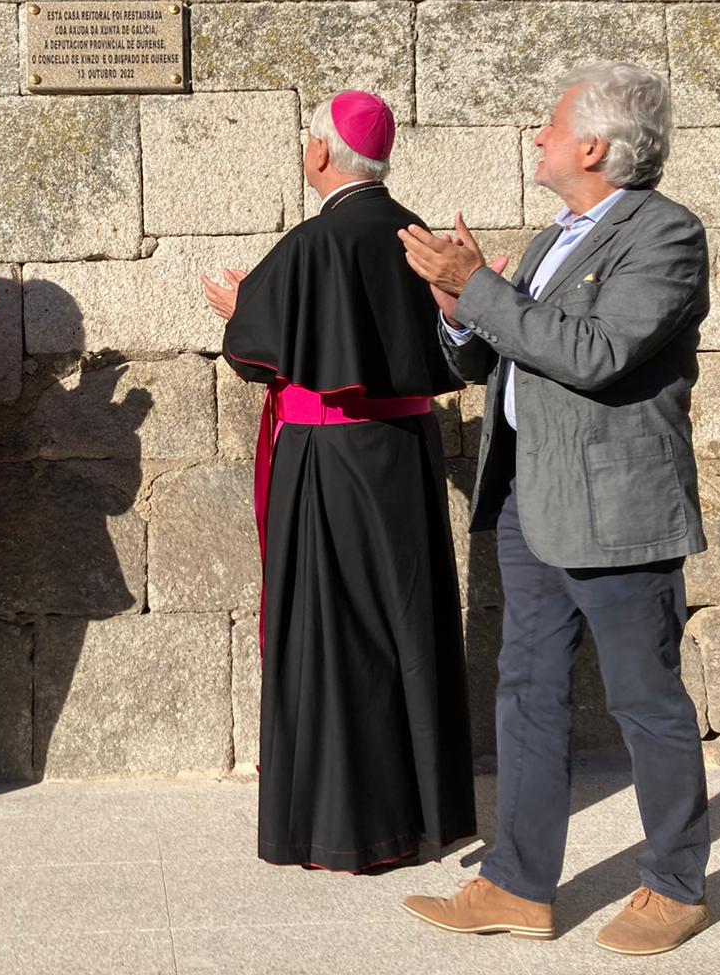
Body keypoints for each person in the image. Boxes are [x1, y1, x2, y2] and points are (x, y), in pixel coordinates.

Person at [397, 61, 712, 956]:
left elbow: (595, 354)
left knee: (644, 700)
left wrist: (483, 290)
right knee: (527, 692)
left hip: (616, 508)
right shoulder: (550, 240)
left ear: (596, 146)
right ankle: (517, 885)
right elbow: (497, 360)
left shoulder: (666, 234)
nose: (538, 136)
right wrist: (459, 311)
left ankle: (676, 886)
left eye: (552, 125)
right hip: (530, 498)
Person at [201, 91, 477, 873]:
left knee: (333, 633)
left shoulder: (313, 242)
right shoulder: (420, 236)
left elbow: (254, 354)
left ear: (321, 153)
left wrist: (240, 309)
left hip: (329, 459)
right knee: (407, 626)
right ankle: (420, 814)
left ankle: (349, 829)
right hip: (408, 452)